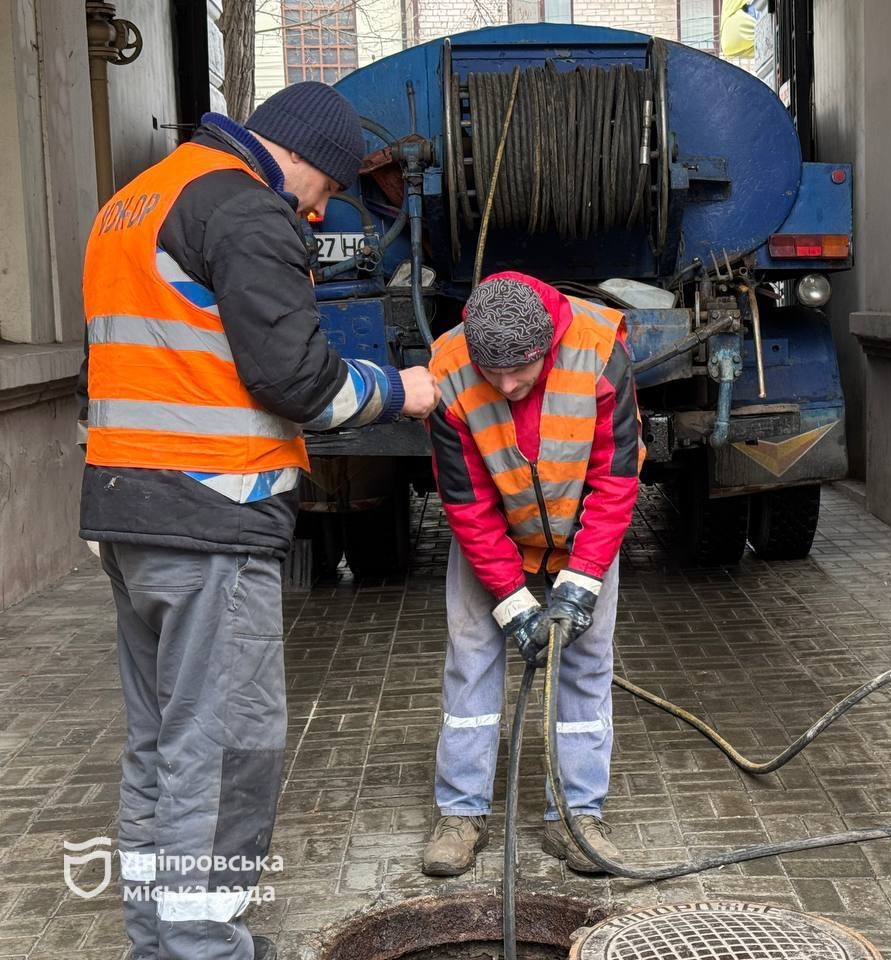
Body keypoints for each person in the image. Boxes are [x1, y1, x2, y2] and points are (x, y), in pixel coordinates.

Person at [78, 82, 440, 960]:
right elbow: (297, 381)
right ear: (308, 161)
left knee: (164, 747)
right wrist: (405, 391)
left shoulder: (136, 200)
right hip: (213, 510)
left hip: (131, 509)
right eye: (327, 192)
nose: (319, 215)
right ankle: (203, 949)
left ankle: (161, 946)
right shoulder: (245, 209)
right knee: (226, 749)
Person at [421, 271, 643, 877]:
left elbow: (616, 478)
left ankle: (575, 817)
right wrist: (511, 601)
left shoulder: (599, 353)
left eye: (520, 370)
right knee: (472, 654)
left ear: (546, 344)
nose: (507, 384)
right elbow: (466, 504)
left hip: (582, 530)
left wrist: (583, 579)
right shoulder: (449, 373)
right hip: (494, 532)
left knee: (586, 659)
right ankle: (461, 814)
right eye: (493, 372)